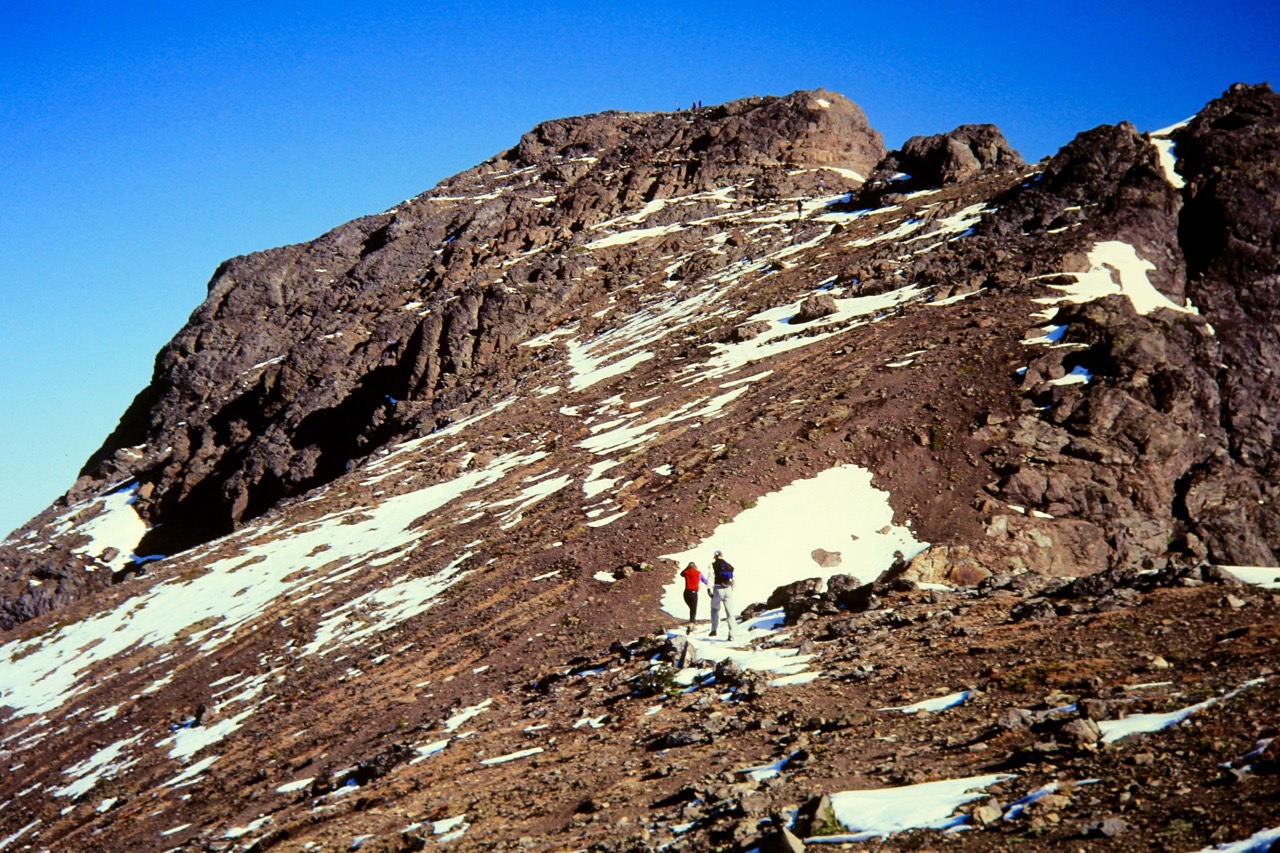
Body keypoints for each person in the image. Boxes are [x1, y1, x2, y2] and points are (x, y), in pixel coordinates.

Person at [709, 550, 736, 639]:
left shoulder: (712, 565)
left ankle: (714, 630)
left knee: (714, 609)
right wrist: (732, 589)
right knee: (730, 613)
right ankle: (731, 634)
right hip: (728, 589)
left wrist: (709, 589)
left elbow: (711, 577)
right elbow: (733, 578)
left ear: (715, 557)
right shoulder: (728, 565)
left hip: (718, 590)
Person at [679, 562, 709, 634]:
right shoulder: (698, 573)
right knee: (693, 610)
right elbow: (705, 581)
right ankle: (691, 624)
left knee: (691, 609)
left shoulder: (686, 572)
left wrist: (687, 568)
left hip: (686, 593)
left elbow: (681, 574)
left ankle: (692, 623)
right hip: (693, 593)